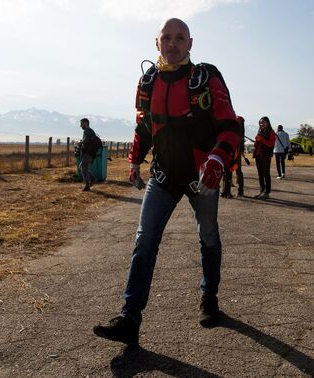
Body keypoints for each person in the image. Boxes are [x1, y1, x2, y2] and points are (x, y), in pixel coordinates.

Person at [93, 18, 240, 346]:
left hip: (202, 178)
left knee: (209, 237)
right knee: (144, 241)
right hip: (162, 176)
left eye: (179, 38)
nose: (172, 44)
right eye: (166, 38)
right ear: (157, 44)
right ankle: (129, 318)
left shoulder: (206, 78)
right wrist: (134, 160)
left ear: (190, 43)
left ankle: (209, 298)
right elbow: (144, 127)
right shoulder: (148, 82)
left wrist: (218, 158)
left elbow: (230, 125)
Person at [221, 115, 246, 198]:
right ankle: (227, 191)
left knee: (233, 170)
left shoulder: (238, 121)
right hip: (230, 151)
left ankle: (235, 191)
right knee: (228, 171)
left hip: (235, 151)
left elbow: (240, 139)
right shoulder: (232, 121)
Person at [253, 116, 276, 199]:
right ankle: (261, 190)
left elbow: (270, 144)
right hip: (258, 155)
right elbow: (256, 144)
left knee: (266, 173)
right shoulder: (260, 131)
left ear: (268, 123)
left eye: (263, 122)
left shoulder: (271, 132)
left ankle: (267, 192)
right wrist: (256, 141)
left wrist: (261, 139)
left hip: (265, 156)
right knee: (260, 174)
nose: (261, 124)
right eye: (260, 123)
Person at [79, 118, 97, 191]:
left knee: (83, 169)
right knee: (83, 168)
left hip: (88, 153)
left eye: (81, 124)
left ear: (85, 123)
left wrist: (81, 143)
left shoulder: (87, 131)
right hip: (90, 153)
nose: (80, 126)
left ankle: (87, 185)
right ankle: (92, 179)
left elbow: (87, 141)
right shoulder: (90, 131)